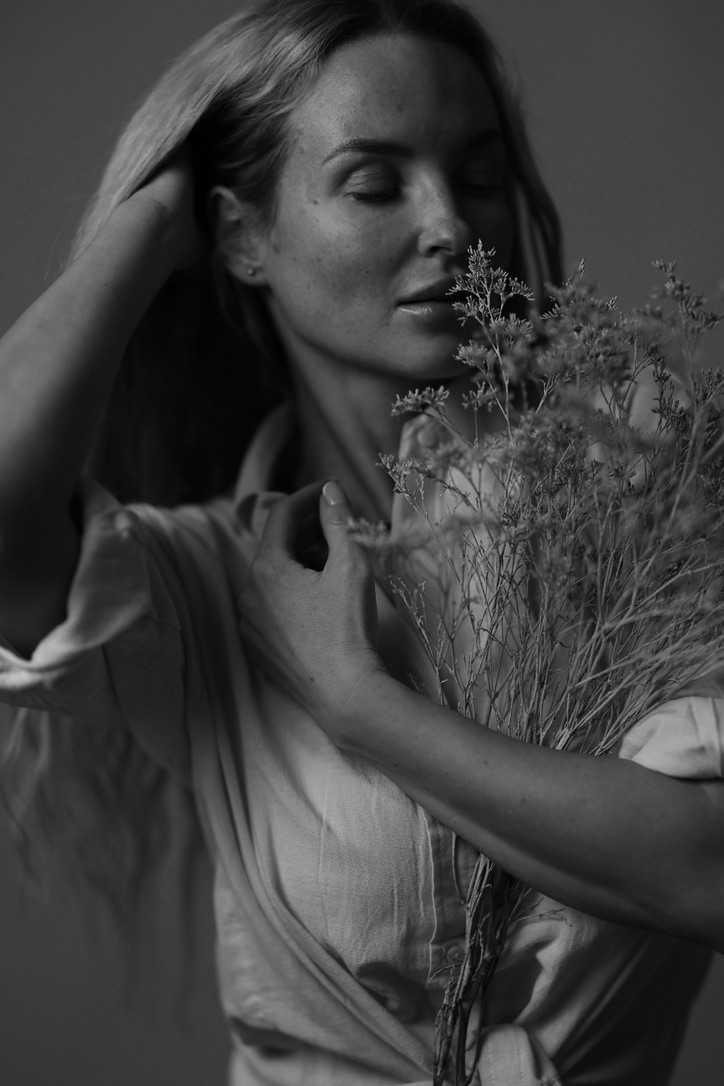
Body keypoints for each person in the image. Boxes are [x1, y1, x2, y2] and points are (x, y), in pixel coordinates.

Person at [0, 1, 723, 1083]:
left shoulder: (641, 506)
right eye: (375, 183)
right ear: (242, 238)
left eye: (480, 176)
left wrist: (356, 703)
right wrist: (151, 219)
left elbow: (705, 868)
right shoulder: (202, 587)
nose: (450, 224)